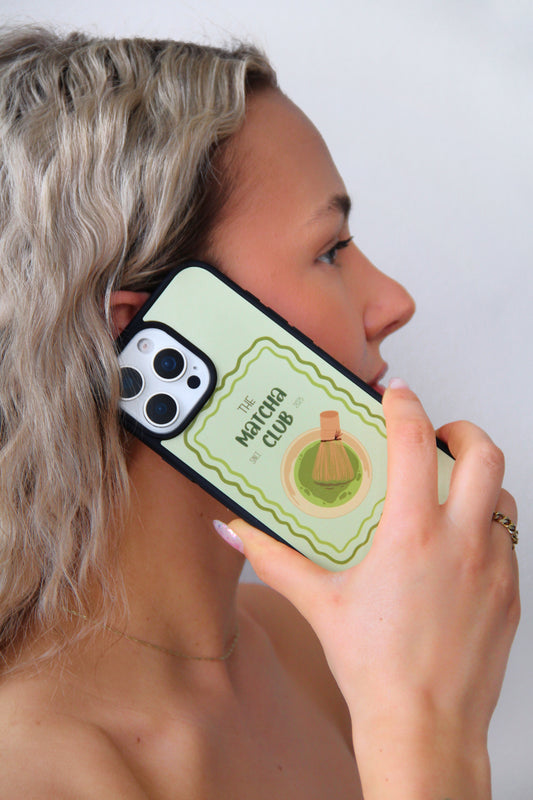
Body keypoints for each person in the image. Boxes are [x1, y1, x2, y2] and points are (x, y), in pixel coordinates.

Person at [0, 27, 519, 799]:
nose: (394, 302)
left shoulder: (326, 652)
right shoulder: (30, 772)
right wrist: (424, 729)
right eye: (329, 250)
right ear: (134, 340)